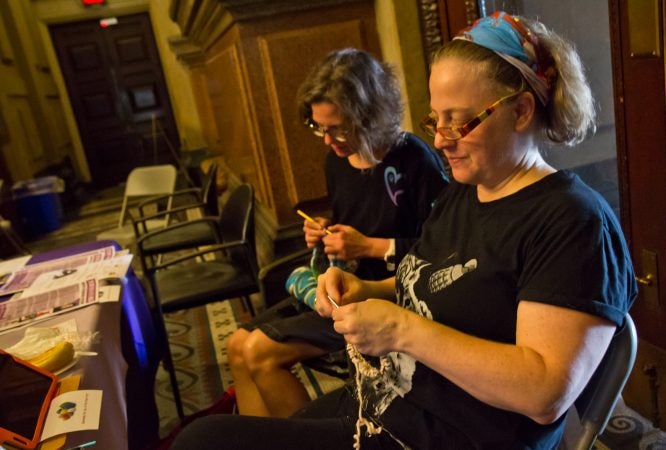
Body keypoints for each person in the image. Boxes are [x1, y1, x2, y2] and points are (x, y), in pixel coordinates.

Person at [172, 12, 637, 449]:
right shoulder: (466, 191)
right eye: (437, 119)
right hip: (391, 405)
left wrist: (402, 330)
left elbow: (544, 392)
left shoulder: (573, 222)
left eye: (460, 120)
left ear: (520, 110)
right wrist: (366, 289)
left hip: (450, 437)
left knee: (204, 440)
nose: (439, 139)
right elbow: (438, 278)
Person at [225, 48, 449, 418]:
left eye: (337, 129)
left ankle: (304, 443)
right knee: (236, 344)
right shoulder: (338, 160)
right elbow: (358, 221)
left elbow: (443, 252)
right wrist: (327, 232)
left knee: (259, 353)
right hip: (339, 287)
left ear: (370, 116)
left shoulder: (414, 160)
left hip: (387, 295)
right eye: (319, 128)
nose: (328, 141)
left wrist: (371, 247)